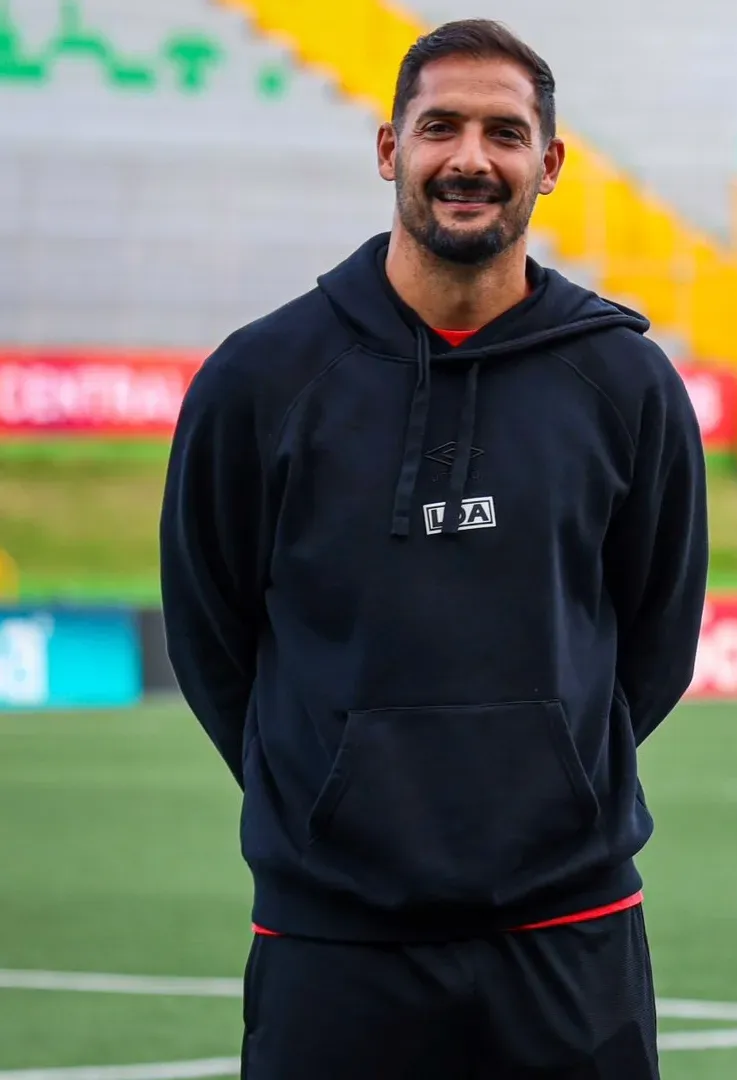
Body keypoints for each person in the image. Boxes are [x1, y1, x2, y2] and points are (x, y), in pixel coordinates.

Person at [158, 19, 707, 1078]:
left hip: (569, 932)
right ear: (387, 149)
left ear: (548, 164)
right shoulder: (261, 378)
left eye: (505, 133)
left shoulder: (627, 383)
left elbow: (656, 638)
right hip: (333, 939)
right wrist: (329, 793)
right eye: (439, 127)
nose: (470, 158)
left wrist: (550, 772)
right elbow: (211, 636)